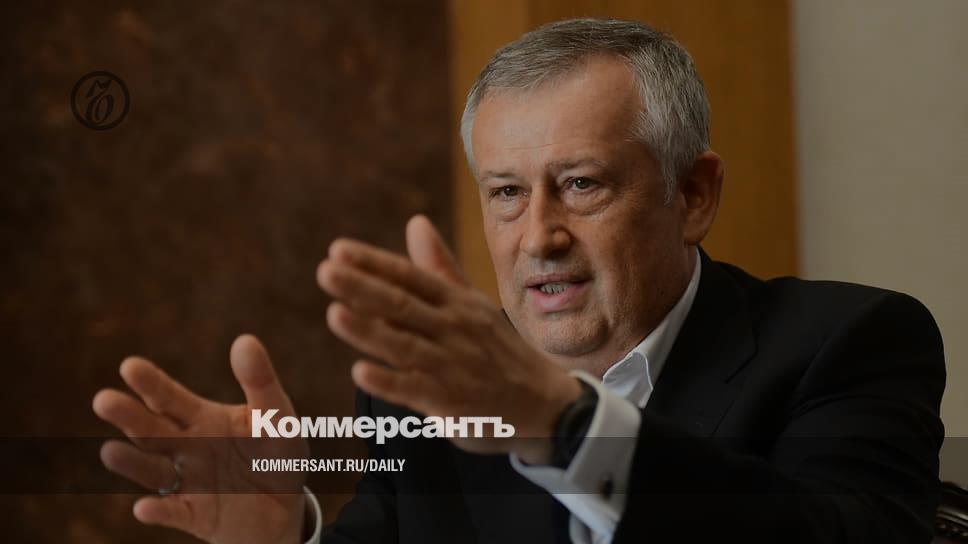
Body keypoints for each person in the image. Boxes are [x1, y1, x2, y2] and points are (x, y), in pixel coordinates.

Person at [92, 18, 946, 544]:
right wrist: (282, 537)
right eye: (506, 193)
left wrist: (564, 425)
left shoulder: (846, 343)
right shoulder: (420, 398)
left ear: (692, 195)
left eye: (582, 184)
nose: (539, 236)